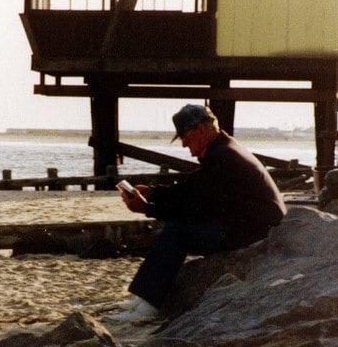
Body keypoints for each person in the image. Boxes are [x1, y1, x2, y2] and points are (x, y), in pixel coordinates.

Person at [106, 104, 287, 322]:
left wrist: (147, 208)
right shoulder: (224, 149)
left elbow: (198, 209)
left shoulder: (222, 156)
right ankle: (145, 296)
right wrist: (154, 193)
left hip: (254, 233)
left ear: (201, 130)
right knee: (176, 228)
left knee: (177, 232)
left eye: (186, 136)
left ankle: (149, 306)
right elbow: (192, 187)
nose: (184, 144)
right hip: (251, 226)